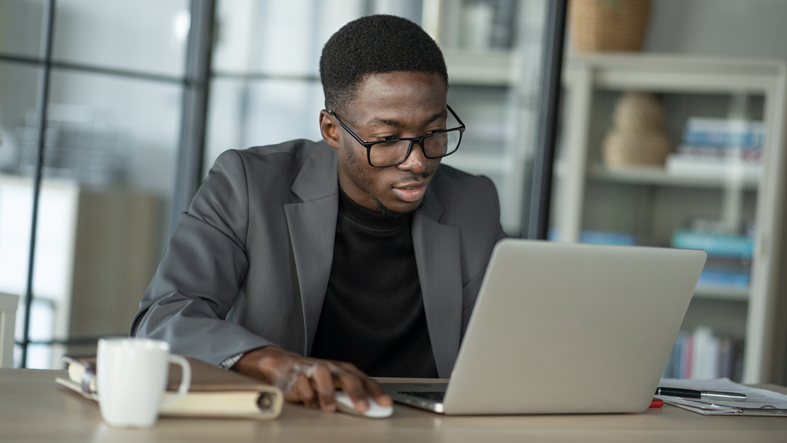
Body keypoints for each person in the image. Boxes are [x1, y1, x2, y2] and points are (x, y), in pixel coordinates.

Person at [131, 14, 505, 413]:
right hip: (295, 424)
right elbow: (164, 318)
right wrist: (269, 362)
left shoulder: (473, 200)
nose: (417, 162)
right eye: (387, 139)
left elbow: (512, 340)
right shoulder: (249, 185)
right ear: (331, 130)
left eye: (434, 132)